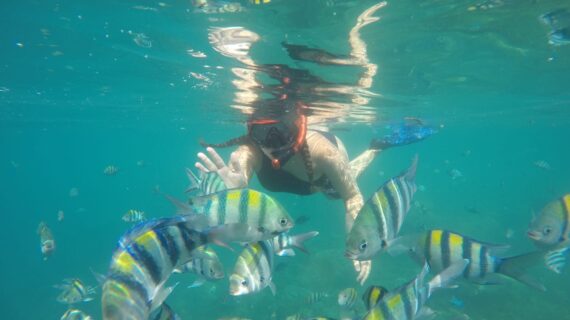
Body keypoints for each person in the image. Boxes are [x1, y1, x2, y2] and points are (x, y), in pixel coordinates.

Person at [196, 2, 433, 285]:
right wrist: (235, 190)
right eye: (261, 136)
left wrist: (358, 241)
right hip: (309, 169)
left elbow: (353, 198)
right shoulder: (252, 149)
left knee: (340, 187)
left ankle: (375, 145)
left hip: (322, 170)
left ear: (297, 129)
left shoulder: (325, 154)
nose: (270, 148)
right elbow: (241, 163)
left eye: (278, 136)